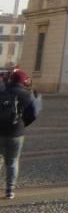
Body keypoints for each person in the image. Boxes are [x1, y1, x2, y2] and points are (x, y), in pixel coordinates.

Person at [0, 69, 38, 199]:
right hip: (16, 133)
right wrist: (22, 123)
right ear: (23, 80)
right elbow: (34, 113)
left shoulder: (3, 91)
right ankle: (9, 190)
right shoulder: (27, 94)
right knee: (12, 161)